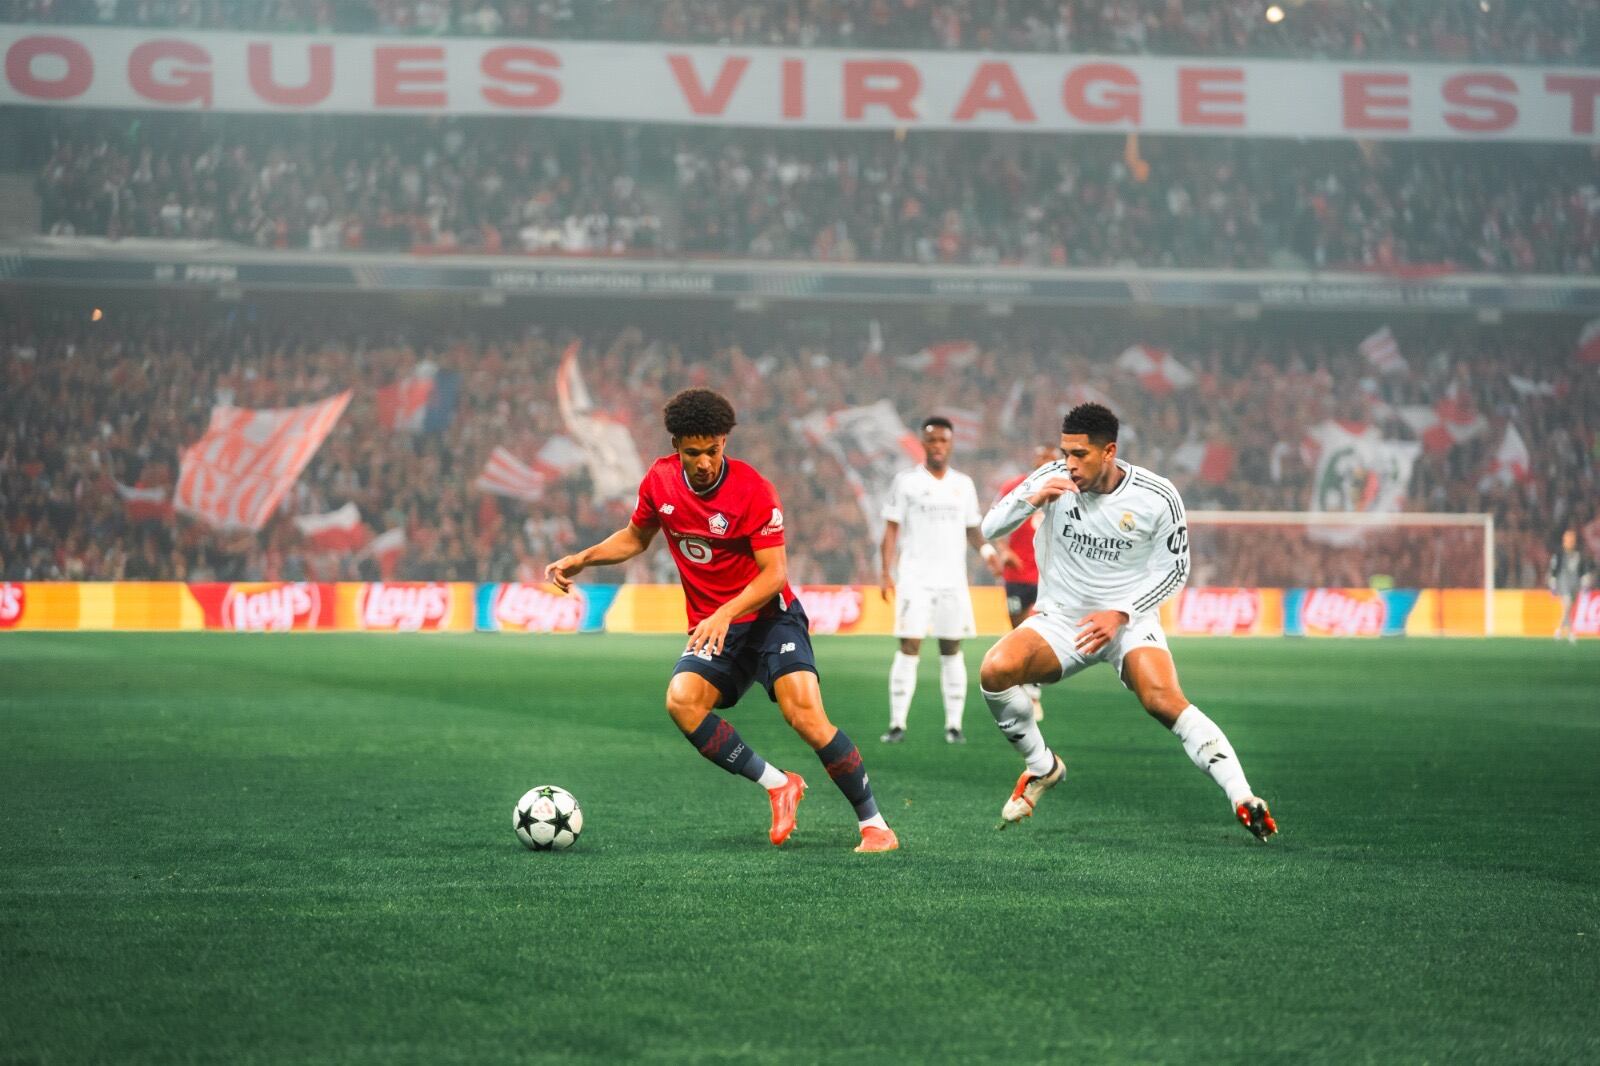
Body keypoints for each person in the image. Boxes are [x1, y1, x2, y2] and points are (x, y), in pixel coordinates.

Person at [545, 387, 899, 853]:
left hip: (771, 619)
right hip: (718, 627)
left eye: (713, 450)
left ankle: (875, 825)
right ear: (676, 448)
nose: (705, 462)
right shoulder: (659, 480)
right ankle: (778, 784)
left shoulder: (753, 490)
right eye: (694, 452)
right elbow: (636, 537)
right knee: (682, 702)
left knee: (806, 717)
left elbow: (775, 574)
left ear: (724, 443)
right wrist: (582, 558)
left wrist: (724, 612)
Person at [977, 403, 1277, 841]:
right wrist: (1032, 497)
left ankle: (1243, 796)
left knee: (1164, 700)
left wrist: (1120, 613)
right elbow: (989, 527)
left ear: (1109, 451)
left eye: (1080, 454)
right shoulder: (1050, 478)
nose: (1070, 463)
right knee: (994, 671)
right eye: (1066, 452)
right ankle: (1042, 767)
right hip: (1063, 619)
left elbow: (1173, 571)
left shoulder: (1158, 496)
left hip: (1128, 619)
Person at [879, 416, 1004, 745]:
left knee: (952, 649)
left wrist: (989, 552)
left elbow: (972, 528)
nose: (937, 446)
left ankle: (953, 726)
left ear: (951, 445)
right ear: (923, 444)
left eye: (943, 441)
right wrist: (885, 571)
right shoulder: (905, 482)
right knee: (909, 647)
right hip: (915, 578)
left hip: (952, 580)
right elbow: (891, 528)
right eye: (931, 441)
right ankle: (897, 724)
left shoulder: (963, 484)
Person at [990, 444, 1058, 722]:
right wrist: (1003, 551)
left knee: (1037, 636)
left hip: (1048, 577)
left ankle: (1033, 695)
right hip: (1017, 576)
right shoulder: (1015, 487)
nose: (1044, 463)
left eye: (1050, 459)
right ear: (1033, 459)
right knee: (1018, 632)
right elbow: (994, 521)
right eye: (1040, 457)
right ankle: (1022, 687)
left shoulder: (1067, 491)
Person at [1548, 528, 1592, 643]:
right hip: (1563, 583)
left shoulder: (1578, 555)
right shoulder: (1559, 554)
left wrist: (1585, 582)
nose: (1570, 541)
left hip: (1574, 584)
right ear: (1564, 540)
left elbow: (1583, 570)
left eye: (1572, 538)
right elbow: (1554, 570)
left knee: (1568, 609)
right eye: (1568, 538)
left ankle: (1566, 631)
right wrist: (1552, 585)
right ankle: (1564, 631)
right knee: (1567, 605)